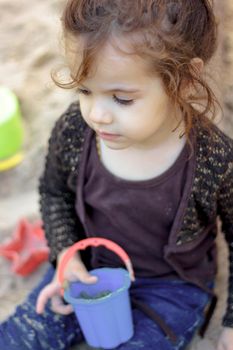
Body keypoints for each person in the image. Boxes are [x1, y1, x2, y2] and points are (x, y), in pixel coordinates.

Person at [1, 0, 233, 349]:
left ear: (185, 80)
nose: (96, 114)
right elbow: (54, 194)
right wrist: (66, 255)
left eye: (121, 99)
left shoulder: (213, 159)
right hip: (86, 270)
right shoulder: (75, 131)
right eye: (84, 89)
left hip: (169, 288)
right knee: (17, 338)